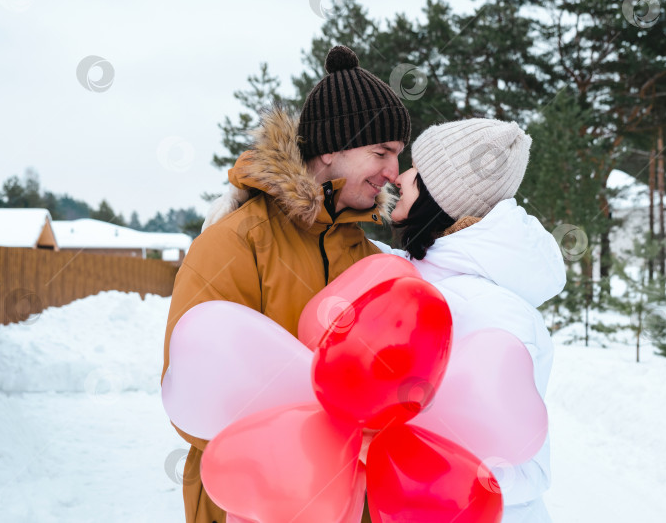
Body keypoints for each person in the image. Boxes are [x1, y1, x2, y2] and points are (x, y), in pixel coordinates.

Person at [162, 45, 411, 523]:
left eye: (397, 156)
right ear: (333, 147)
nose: (393, 173)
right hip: (248, 502)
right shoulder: (235, 243)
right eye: (381, 152)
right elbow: (192, 396)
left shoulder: (372, 261)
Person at [377, 118, 566, 522]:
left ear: (440, 197)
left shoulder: (498, 313)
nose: (400, 175)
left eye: (415, 171)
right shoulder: (419, 269)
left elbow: (517, 467)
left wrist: (407, 458)